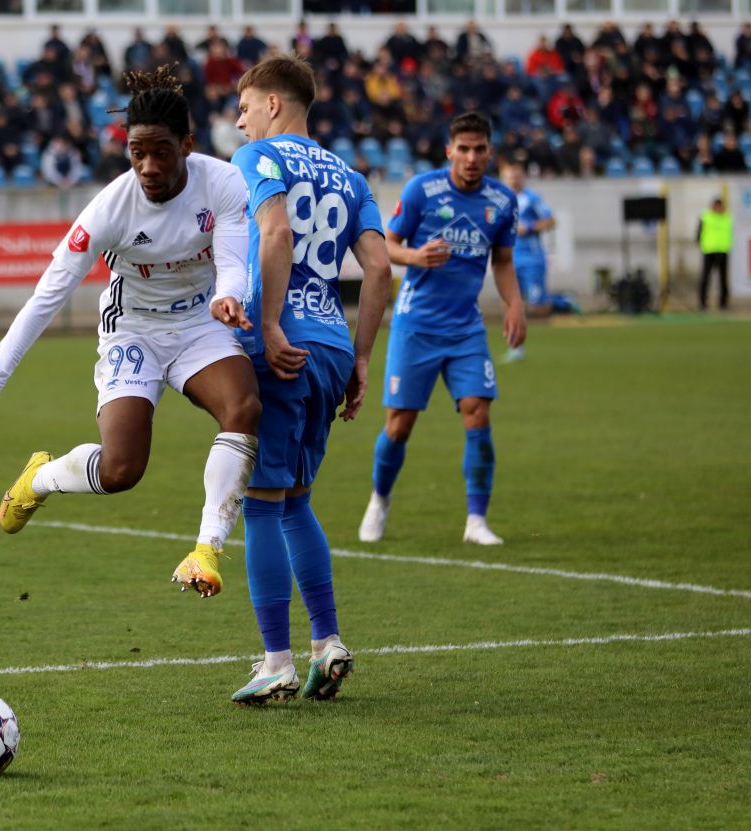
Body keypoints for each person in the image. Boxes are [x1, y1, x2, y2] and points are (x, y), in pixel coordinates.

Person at [0, 66, 261, 599]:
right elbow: (50, 292)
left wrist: (231, 296)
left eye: (161, 152)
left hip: (201, 323)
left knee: (244, 408)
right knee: (121, 469)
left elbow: (231, 260)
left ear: (187, 144)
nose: (148, 167)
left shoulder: (223, 182)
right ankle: (41, 477)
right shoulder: (110, 208)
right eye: (137, 154)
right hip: (132, 332)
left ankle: (206, 549)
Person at [229, 55, 392, 705]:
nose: (238, 120)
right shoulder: (351, 177)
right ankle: (327, 643)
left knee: (260, 502)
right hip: (328, 344)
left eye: (244, 106)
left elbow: (275, 232)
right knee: (296, 499)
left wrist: (268, 324)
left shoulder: (259, 160)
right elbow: (378, 269)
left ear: (274, 104)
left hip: (281, 343)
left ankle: (275, 660)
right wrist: (359, 359)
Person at [359, 111, 526, 547]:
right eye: (464, 149)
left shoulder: (502, 202)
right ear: (450, 151)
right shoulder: (422, 191)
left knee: (478, 411)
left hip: (466, 328)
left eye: (480, 149)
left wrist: (515, 305)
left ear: (490, 152)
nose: (472, 158)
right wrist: (415, 257)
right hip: (415, 325)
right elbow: (386, 245)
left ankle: (476, 520)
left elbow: (503, 262)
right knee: (399, 425)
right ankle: (379, 499)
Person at [500, 161, 578, 361]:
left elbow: (552, 220)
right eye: (510, 175)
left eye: (517, 175)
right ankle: (516, 348)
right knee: (510, 304)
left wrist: (531, 227)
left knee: (537, 307)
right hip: (508, 260)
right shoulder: (499, 200)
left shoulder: (531, 198)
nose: (514, 178)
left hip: (532, 259)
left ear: (523, 177)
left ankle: (562, 301)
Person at [696, 196, 732, 311]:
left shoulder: (727, 218)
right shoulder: (706, 216)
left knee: (723, 279)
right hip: (709, 250)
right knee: (706, 278)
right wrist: (700, 243)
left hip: (722, 250)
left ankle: (723, 303)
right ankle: (702, 302)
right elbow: (699, 231)